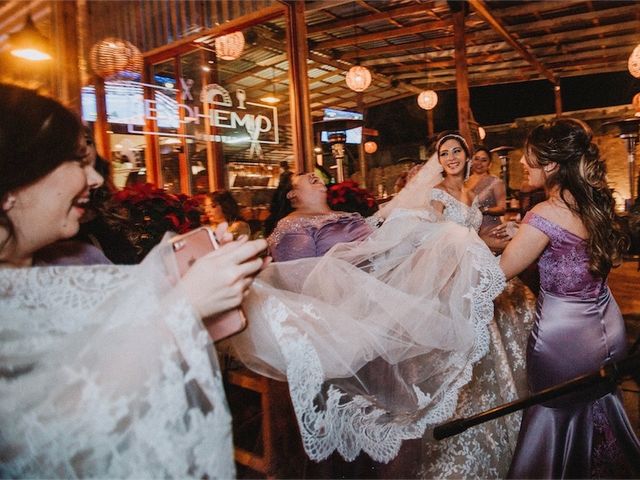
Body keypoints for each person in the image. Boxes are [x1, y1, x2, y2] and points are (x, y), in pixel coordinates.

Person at [0, 83, 268, 478]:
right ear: (11, 184)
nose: (94, 178)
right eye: (77, 161)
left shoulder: (79, 263)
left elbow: (118, 357)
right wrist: (184, 308)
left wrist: (191, 290)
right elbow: (42, 441)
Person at [499, 118, 640, 478]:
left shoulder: (544, 213)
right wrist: (522, 233)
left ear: (550, 164)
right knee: (598, 403)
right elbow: (568, 248)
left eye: (529, 158)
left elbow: (497, 274)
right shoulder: (589, 202)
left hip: (563, 340)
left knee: (555, 412)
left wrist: (461, 245)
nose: (522, 163)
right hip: (605, 325)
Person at [266, 172, 372, 262]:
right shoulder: (291, 225)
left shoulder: (344, 214)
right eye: (301, 174)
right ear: (291, 194)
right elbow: (299, 275)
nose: (312, 173)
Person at [465, 146, 507, 236]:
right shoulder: (464, 182)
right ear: (472, 161)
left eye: (484, 160)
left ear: (490, 164)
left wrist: (484, 210)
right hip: (468, 231)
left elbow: (503, 209)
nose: (479, 163)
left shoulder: (496, 182)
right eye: (477, 159)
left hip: (489, 230)